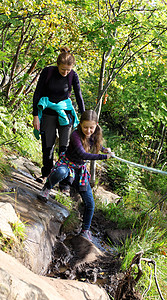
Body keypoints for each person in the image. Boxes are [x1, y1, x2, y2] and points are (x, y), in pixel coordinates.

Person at [37, 110, 114, 241]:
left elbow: (98, 146)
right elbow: (82, 154)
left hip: (80, 170)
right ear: (80, 124)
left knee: (90, 203)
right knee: (61, 172)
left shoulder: (94, 136)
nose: (88, 130)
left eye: (91, 127)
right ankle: (47, 188)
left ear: (96, 125)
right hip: (67, 165)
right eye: (85, 127)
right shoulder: (75, 135)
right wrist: (104, 156)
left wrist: (105, 150)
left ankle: (85, 230)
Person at [33, 47, 85, 191]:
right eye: (63, 70)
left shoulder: (72, 76)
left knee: (65, 148)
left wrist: (84, 117)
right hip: (48, 111)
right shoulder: (48, 72)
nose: (65, 72)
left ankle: (65, 182)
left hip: (65, 113)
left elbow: (79, 96)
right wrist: (35, 115)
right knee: (47, 146)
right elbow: (37, 93)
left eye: (68, 70)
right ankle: (46, 175)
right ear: (57, 65)